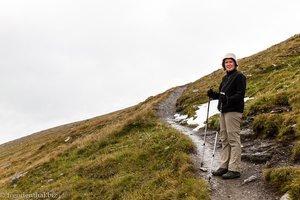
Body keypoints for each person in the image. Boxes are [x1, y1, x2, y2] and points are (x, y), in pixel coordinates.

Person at [207, 53, 246, 179]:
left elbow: (240, 95)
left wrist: (227, 99)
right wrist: (214, 95)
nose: (228, 64)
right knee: (224, 139)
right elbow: (222, 96)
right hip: (223, 111)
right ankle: (224, 166)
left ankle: (234, 169)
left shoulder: (239, 76)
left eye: (231, 62)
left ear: (235, 63)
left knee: (233, 139)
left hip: (233, 111)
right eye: (226, 62)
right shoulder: (225, 78)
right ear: (224, 65)